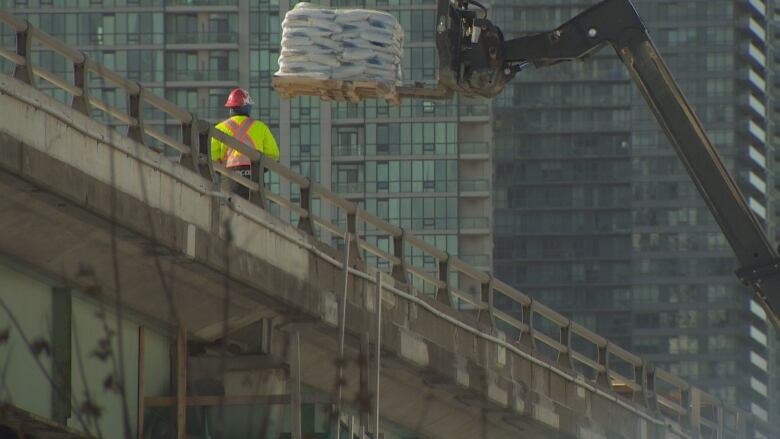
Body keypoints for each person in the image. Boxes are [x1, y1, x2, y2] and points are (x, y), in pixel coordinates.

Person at [211, 88, 280, 199]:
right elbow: (273, 154)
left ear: (230, 108)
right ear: (248, 107)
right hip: (255, 178)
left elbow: (212, 157)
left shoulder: (219, 128)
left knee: (228, 211)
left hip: (229, 179)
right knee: (256, 210)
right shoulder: (261, 127)